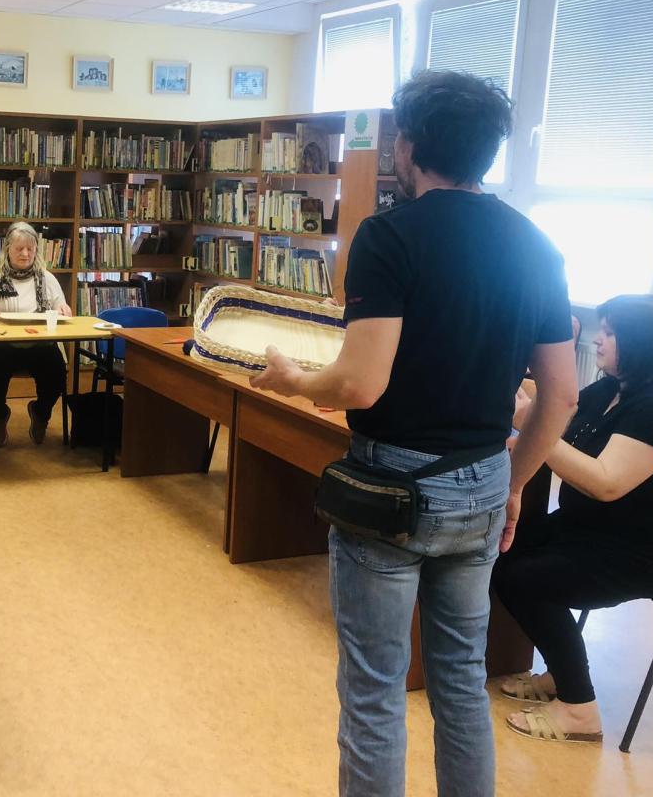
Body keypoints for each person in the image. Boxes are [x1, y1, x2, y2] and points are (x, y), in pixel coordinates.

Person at [248, 70, 579, 797]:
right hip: (484, 481)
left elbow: (359, 385)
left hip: (392, 489)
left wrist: (295, 380)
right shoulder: (535, 245)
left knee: (374, 689)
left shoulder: (388, 236)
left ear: (408, 145)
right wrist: (515, 482)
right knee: (459, 680)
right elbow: (561, 395)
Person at [494, 295, 653, 744]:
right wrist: (520, 381)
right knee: (505, 549)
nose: (599, 340)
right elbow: (543, 413)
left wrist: (538, 436)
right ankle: (560, 674)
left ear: (641, 342)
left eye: (610, 333)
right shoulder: (612, 388)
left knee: (527, 578)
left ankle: (579, 710)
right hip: (606, 529)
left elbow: (606, 482)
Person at [0, 221, 73, 447]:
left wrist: (63, 309)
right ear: (7, 248)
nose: (25, 254)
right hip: (1, 346)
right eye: (19, 248)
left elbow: (61, 308)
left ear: (36, 250)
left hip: (39, 346)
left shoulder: (47, 278)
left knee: (57, 370)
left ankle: (40, 413)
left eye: (30, 249)